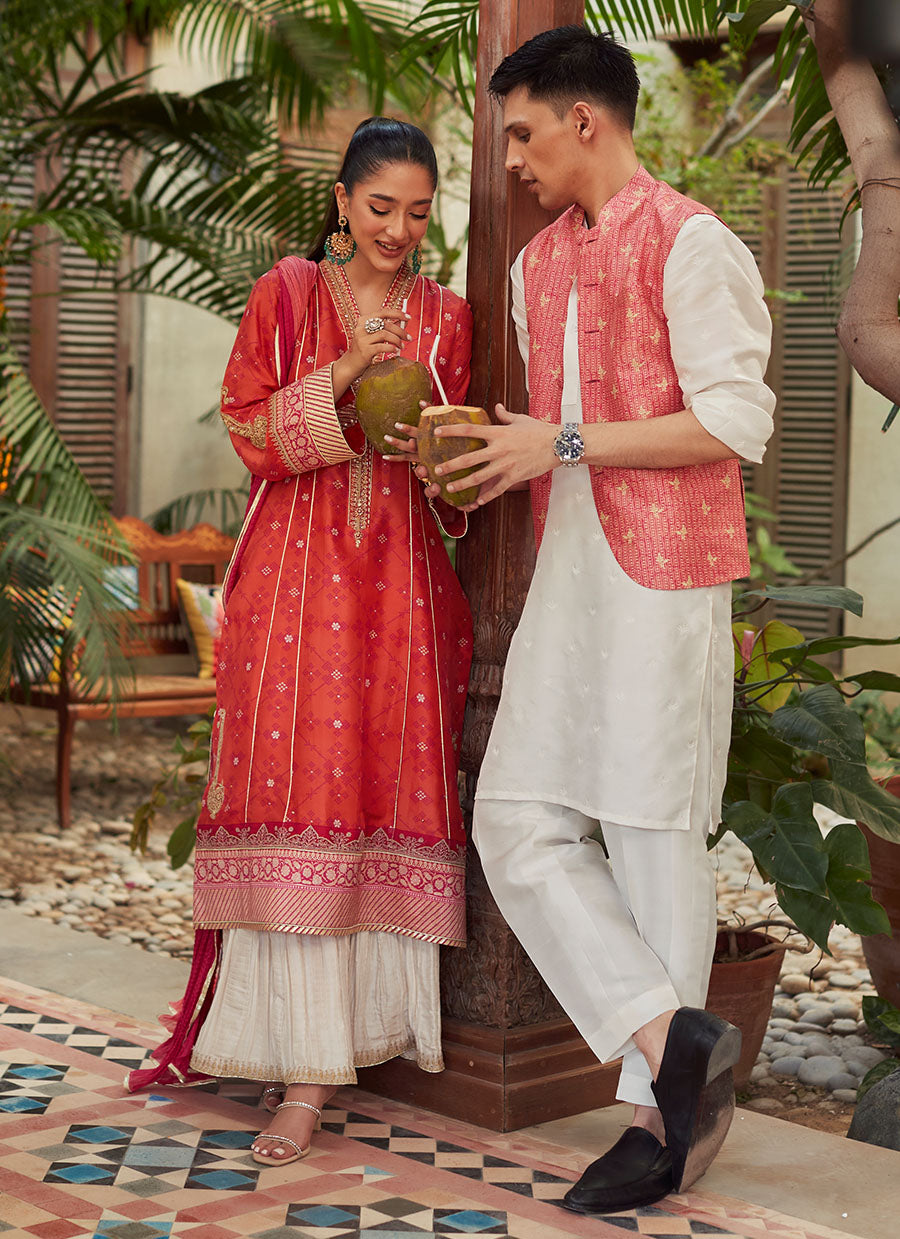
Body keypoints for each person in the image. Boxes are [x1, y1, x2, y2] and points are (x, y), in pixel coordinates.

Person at [426, 27, 776, 1215]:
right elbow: (552, 438)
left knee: (650, 833)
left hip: (666, 576)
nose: (512, 156)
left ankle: (653, 1123)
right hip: (570, 573)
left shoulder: (695, 244)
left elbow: (735, 423)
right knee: (515, 819)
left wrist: (559, 441)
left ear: (586, 121)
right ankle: (670, 1035)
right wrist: (489, 462)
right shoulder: (535, 271)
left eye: (522, 131)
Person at [127, 117, 474, 1169]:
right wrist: (337, 376)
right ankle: (292, 1064)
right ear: (340, 201)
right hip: (294, 579)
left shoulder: (446, 318)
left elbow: (458, 477)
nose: (399, 231)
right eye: (380, 208)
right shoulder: (285, 294)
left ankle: (352, 1050)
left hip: (403, 585)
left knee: (379, 787)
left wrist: (432, 445)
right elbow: (247, 430)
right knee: (298, 782)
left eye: (418, 213)